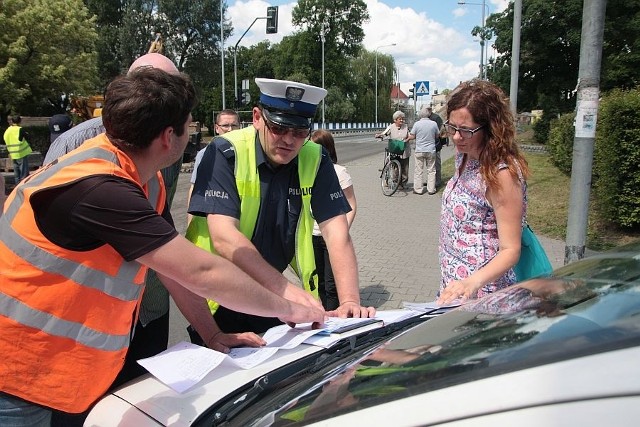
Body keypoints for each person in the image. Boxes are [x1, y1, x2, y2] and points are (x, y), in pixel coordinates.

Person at [0, 68, 324, 426]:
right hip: (18, 379)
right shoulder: (101, 188)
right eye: (191, 124)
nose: (193, 132)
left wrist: (211, 333)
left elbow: (171, 270)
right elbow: (201, 271)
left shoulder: (141, 178)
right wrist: (289, 308)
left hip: (60, 374)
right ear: (169, 137)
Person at [188, 78, 374, 338]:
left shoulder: (315, 157)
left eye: (299, 132)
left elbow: (337, 232)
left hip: (268, 294)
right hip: (218, 295)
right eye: (278, 128)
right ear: (256, 117)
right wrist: (285, 290)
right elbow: (223, 237)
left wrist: (350, 301)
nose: (289, 140)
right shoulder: (224, 151)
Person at [437, 79, 530, 305]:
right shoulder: (465, 155)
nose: (457, 137)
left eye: (466, 131)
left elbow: (510, 250)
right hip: (455, 285)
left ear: (490, 128)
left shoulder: (502, 174)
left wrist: (472, 282)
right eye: (452, 127)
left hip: (485, 292)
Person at [309, 129, 357, 310]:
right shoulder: (305, 171)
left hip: (331, 237)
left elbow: (351, 204)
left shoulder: (339, 172)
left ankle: (336, 317)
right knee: (318, 281)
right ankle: (324, 313)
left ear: (326, 149)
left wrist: (342, 232)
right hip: (311, 235)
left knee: (331, 285)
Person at [186, 109, 241, 225]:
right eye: (225, 125)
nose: (230, 129)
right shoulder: (205, 154)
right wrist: (190, 223)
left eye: (234, 125)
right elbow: (195, 188)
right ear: (216, 128)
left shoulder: (247, 153)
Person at [405, 106, 440, 195]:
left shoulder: (417, 124)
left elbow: (412, 136)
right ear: (428, 114)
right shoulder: (434, 124)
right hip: (431, 150)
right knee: (431, 170)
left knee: (418, 170)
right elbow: (437, 136)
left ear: (420, 115)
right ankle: (431, 189)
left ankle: (418, 189)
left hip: (419, 150)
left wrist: (408, 138)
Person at [375, 110, 410, 189]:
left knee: (405, 168)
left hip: (404, 149)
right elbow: (385, 133)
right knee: (395, 167)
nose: (401, 120)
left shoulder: (406, 127)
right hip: (395, 149)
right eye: (399, 119)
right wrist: (379, 135)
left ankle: (403, 183)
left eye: (402, 119)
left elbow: (410, 135)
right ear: (395, 120)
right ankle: (395, 181)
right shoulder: (391, 127)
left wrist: (406, 140)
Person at [3, 115, 32, 183]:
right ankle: (23, 184)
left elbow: (5, 139)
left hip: (13, 153)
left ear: (12, 121)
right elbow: (27, 137)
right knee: (23, 171)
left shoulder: (8, 130)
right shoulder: (20, 129)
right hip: (21, 152)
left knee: (16, 170)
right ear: (20, 121)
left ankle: (17, 184)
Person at [426, 106, 445, 188]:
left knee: (436, 163)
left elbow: (440, 131)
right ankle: (431, 181)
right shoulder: (427, 118)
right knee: (430, 165)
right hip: (429, 144)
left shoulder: (436, 118)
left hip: (436, 144)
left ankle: (437, 181)